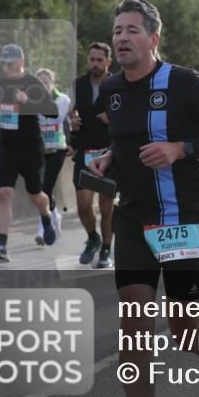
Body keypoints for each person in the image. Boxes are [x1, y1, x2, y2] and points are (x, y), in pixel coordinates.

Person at [87, 0, 199, 397]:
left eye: (131, 30)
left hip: (182, 219)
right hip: (134, 219)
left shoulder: (184, 82)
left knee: (183, 328)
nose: (122, 38)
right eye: (118, 30)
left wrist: (181, 149)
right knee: (134, 328)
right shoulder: (111, 90)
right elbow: (124, 144)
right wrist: (107, 158)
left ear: (153, 39)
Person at [0, 44, 59, 261]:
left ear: (20, 62)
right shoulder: (2, 83)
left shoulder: (33, 83)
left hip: (30, 148)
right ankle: (2, 244)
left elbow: (52, 111)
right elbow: (2, 103)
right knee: (3, 193)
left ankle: (46, 217)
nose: (5, 66)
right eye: (3, 63)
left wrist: (30, 101)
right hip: (7, 147)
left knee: (35, 195)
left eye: (9, 62)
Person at [70, 42, 116, 268]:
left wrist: (115, 116)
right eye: (92, 59)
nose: (95, 64)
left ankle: (106, 248)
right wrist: (72, 118)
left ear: (108, 62)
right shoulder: (78, 84)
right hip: (85, 150)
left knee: (106, 205)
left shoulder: (117, 84)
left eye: (100, 60)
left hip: (108, 151)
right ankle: (93, 238)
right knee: (83, 202)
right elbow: (68, 109)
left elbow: (132, 110)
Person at [34, 68, 70, 246]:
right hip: (39, 150)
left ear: (53, 82)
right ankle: (55, 216)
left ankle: (42, 228)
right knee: (42, 189)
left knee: (45, 188)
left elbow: (63, 118)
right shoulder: (31, 102)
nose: (44, 82)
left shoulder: (63, 100)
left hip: (57, 149)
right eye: (39, 81)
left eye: (47, 79)